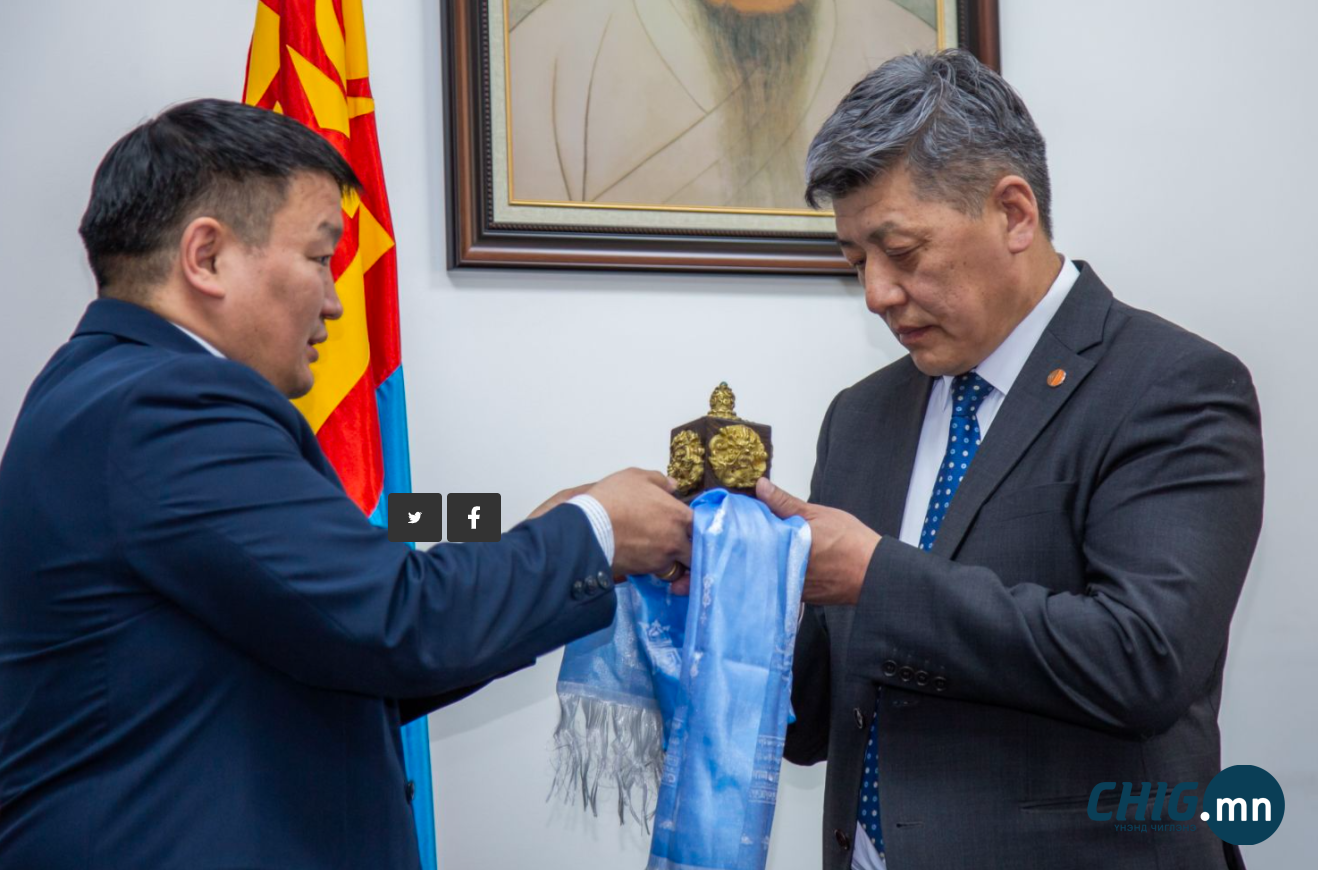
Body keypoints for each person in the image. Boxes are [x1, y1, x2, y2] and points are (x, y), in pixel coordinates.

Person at [0, 99, 692, 869]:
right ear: (207, 256)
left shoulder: (106, 387)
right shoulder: (168, 407)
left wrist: (547, 541)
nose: (335, 301)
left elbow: (336, 648)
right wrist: (596, 531)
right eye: (320, 256)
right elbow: (396, 620)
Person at [756, 51, 1263, 870]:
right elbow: (812, 718)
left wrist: (876, 576)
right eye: (854, 262)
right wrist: (725, 589)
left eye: (901, 252)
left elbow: (1142, 662)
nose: (877, 293)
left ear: (1014, 214)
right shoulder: (860, 417)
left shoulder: (1174, 385)